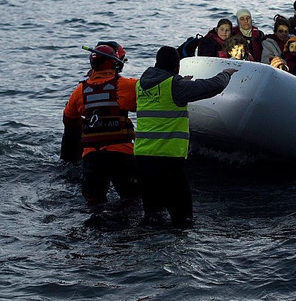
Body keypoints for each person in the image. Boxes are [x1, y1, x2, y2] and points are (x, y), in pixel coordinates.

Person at [134, 46, 236, 228]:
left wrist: (181, 82)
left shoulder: (141, 85)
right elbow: (213, 86)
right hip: (168, 160)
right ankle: (177, 252)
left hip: (143, 159)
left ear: (156, 64)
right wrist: (226, 74)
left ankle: (149, 250)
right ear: (176, 66)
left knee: (153, 215)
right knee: (182, 218)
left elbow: (163, 94)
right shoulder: (175, 86)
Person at [62, 42, 140, 207]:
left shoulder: (80, 90)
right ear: (114, 63)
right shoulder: (127, 85)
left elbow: (68, 119)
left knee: (94, 202)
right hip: (121, 152)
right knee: (130, 198)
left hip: (92, 155)